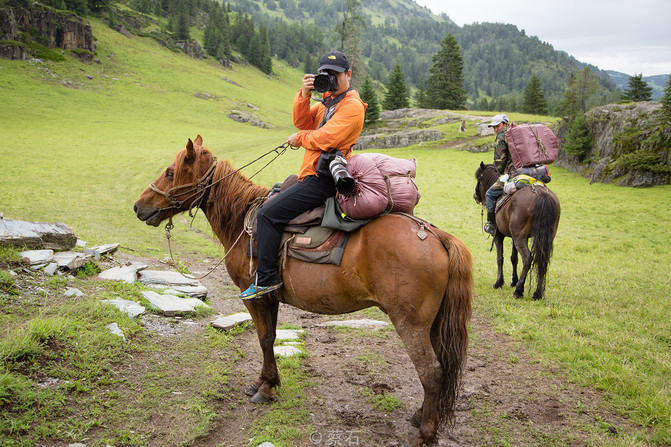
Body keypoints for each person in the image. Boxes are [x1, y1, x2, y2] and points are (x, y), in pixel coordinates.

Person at [239, 50, 367, 299]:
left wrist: (299, 139)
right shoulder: (329, 104)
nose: (330, 79)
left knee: (267, 215)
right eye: (325, 74)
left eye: (335, 74)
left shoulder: (352, 106)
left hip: (323, 180)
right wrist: (304, 95)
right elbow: (302, 121)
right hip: (311, 174)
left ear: (348, 75)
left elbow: (326, 138)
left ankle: (266, 279)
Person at [484, 114, 513, 236]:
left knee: (489, 194)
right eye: (494, 127)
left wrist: (500, 172)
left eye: (498, 126)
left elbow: (500, 159)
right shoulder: (516, 133)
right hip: (532, 171)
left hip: (513, 173)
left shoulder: (502, 136)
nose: (496, 129)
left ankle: (492, 224)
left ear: (505, 124)